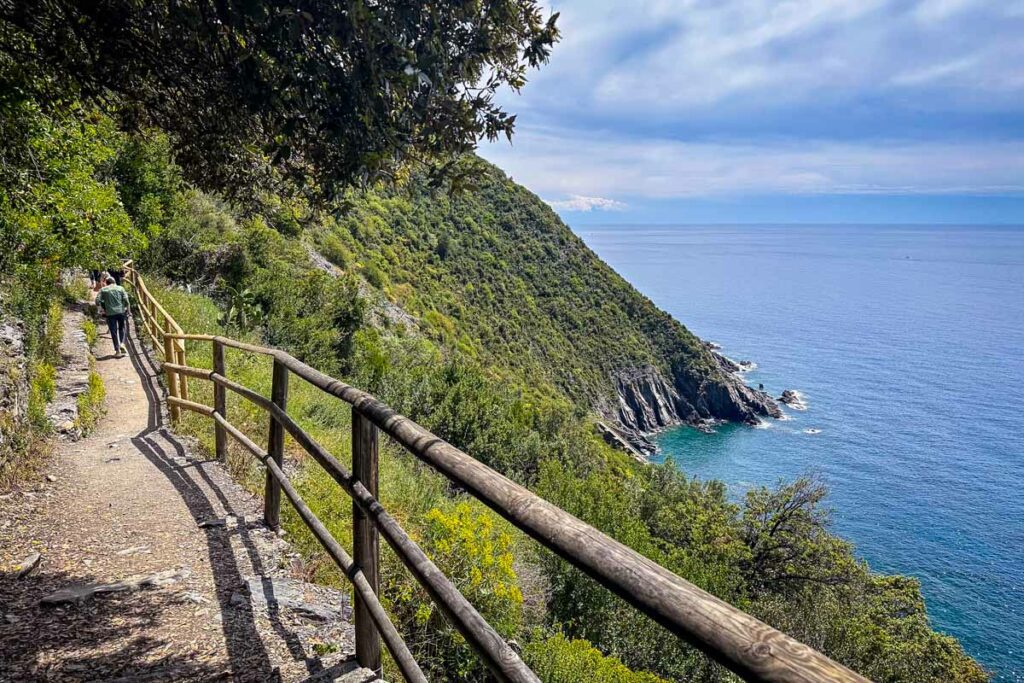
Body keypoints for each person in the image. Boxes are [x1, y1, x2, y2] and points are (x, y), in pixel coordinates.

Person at [97, 276, 131, 358]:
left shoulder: (103, 290)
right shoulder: (120, 288)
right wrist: (129, 311)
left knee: (113, 331)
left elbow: (97, 300)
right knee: (122, 328)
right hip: (121, 311)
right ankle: (122, 343)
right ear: (114, 282)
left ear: (107, 282)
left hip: (110, 313)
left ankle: (117, 351)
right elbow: (126, 301)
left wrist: (101, 308)